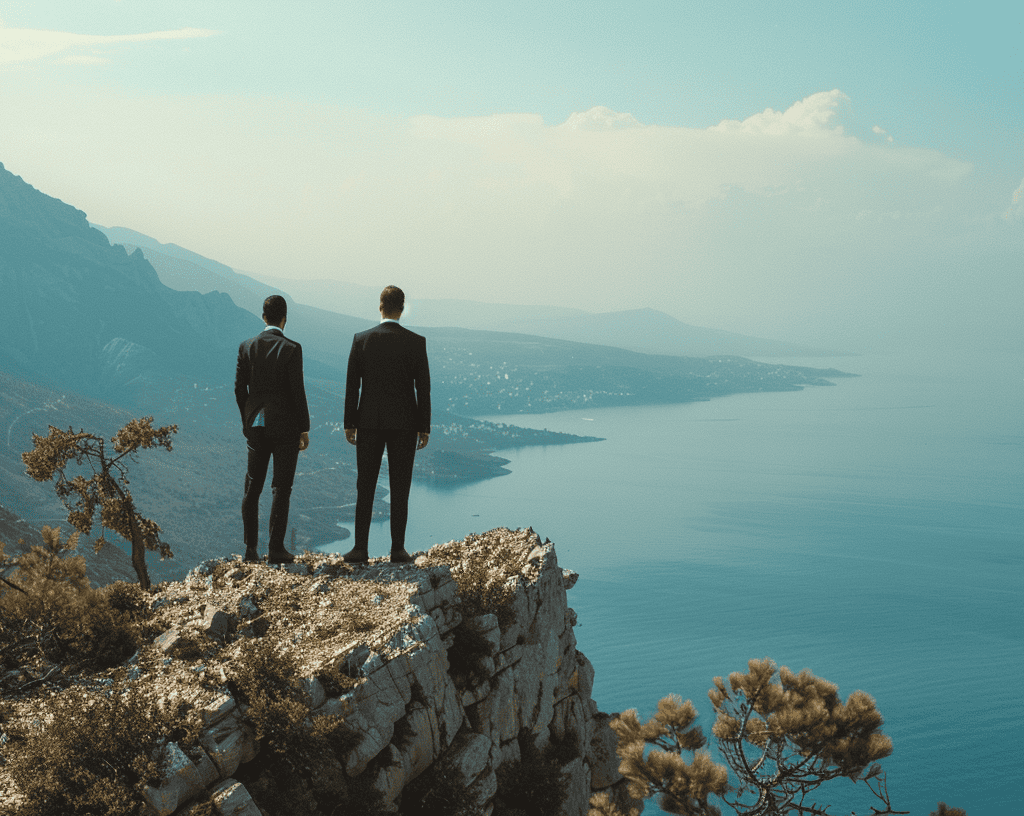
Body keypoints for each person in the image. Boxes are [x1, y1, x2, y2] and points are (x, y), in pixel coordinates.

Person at [343, 285, 430, 563]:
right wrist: (424, 426)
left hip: (368, 422)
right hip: (405, 425)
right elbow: (423, 389)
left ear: (379, 306)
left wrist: (349, 422)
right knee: (400, 486)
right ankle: (397, 549)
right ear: (402, 309)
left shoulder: (361, 340)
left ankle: (360, 549)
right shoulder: (416, 342)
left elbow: (352, 386)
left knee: (365, 485)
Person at [234, 295, 310, 564]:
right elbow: (297, 392)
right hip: (285, 428)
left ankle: (250, 549)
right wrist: (304, 428)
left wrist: (248, 419)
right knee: (281, 487)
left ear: (263, 317)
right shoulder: (292, 348)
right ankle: (276, 549)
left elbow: (239, 388)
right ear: (284, 319)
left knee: (252, 487)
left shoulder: (247, 347)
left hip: (255, 424)